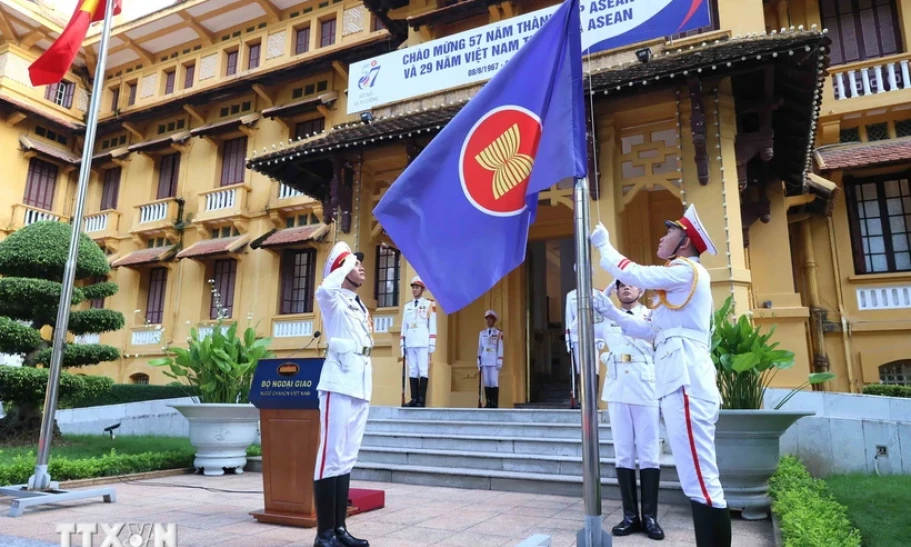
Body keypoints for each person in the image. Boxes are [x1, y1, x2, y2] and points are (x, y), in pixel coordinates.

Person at [589, 204, 731, 547]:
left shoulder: (685, 271)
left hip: (686, 381)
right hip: (677, 382)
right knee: (695, 479)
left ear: (683, 243)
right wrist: (612, 312)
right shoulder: (676, 290)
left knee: (701, 478)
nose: (661, 236)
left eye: (669, 232)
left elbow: (638, 274)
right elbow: (648, 330)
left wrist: (604, 247)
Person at [313, 241, 372, 547]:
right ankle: (323, 535)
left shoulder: (357, 304)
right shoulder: (332, 299)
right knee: (330, 456)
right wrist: (343, 264)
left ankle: (339, 530)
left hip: (359, 383)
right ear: (341, 270)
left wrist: (348, 262)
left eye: (359, 263)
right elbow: (324, 289)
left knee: (346, 458)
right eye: (354, 264)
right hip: (337, 384)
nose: (361, 267)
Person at [600, 280, 664, 540]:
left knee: (649, 453)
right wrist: (601, 298)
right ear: (616, 291)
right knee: (623, 453)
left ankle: (650, 518)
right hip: (617, 389)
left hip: (645, 387)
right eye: (621, 285)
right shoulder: (606, 319)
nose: (626, 288)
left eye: (632, 285)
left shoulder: (652, 315)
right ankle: (630, 517)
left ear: (641, 291)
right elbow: (575, 330)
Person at [565, 264, 611, 409]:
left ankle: (594, 401)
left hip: (594, 337)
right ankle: (583, 400)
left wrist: (603, 338)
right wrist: (568, 341)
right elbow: (568, 319)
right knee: (580, 370)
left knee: (595, 369)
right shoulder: (571, 295)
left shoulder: (598, 294)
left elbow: (604, 318)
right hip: (577, 337)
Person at [400, 276, 437, 407]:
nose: (414, 290)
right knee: (412, 370)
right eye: (413, 287)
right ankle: (414, 398)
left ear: (422, 289)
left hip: (423, 341)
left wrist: (432, 342)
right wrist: (402, 343)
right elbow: (404, 325)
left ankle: (422, 399)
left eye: (417, 287)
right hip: (410, 341)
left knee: (423, 370)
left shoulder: (429, 304)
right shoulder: (407, 306)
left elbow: (432, 324)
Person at [477, 310, 504, 408]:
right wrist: (478, 360)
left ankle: (494, 403)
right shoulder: (482, 333)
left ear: (494, 321)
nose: (489, 322)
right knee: (487, 381)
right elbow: (480, 348)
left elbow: (500, 347)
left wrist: (499, 361)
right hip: (484, 359)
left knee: (494, 381)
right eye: (487, 320)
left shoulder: (498, 333)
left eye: (491, 320)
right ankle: (488, 402)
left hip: (493, 359)